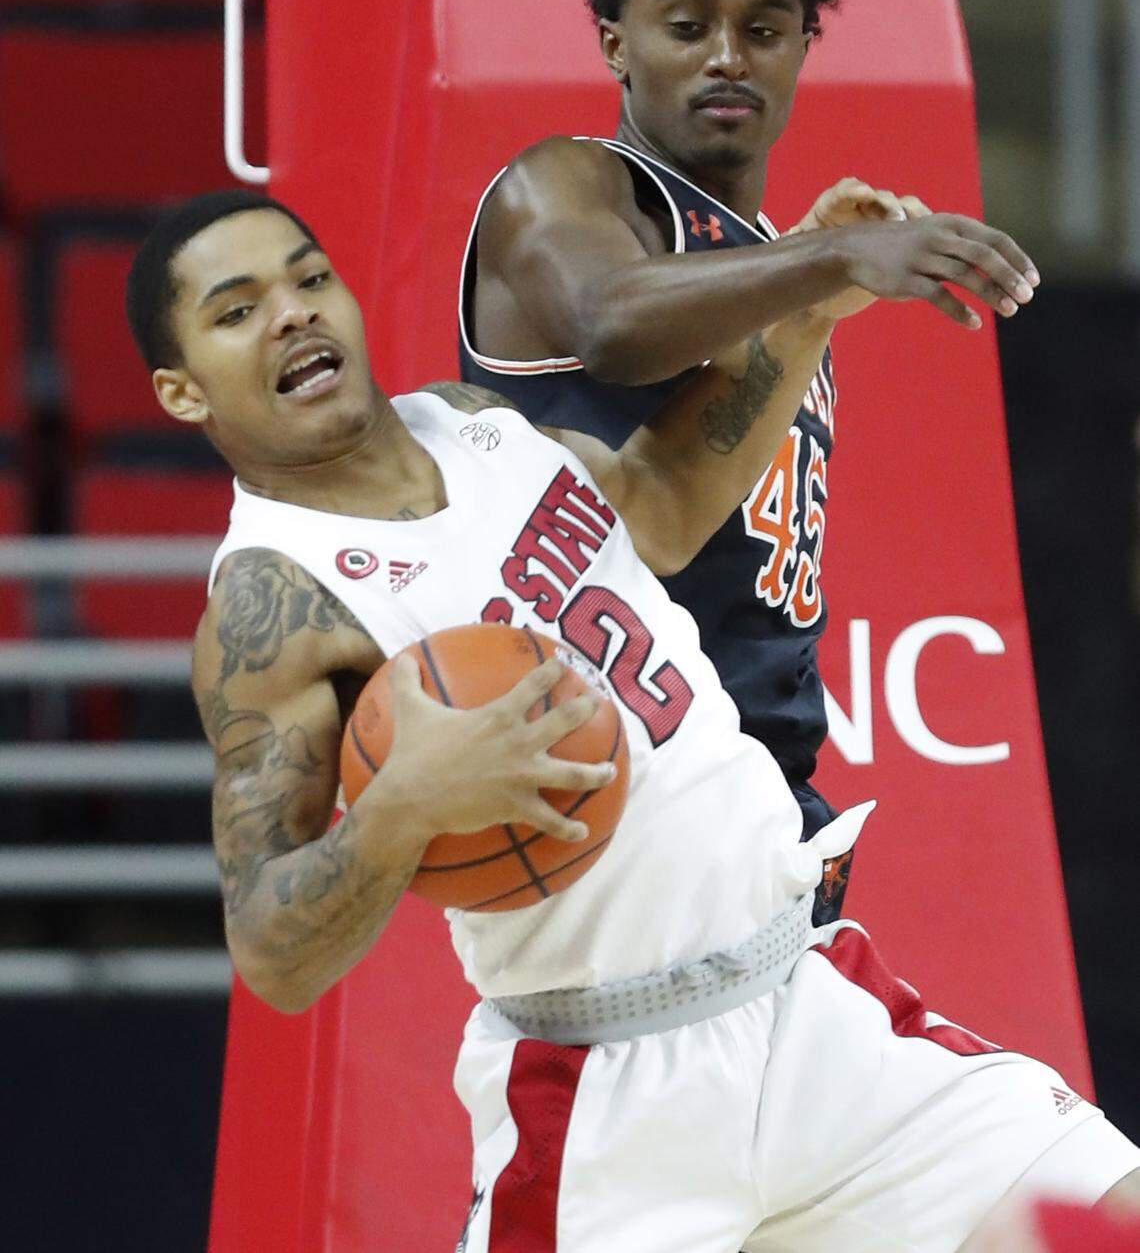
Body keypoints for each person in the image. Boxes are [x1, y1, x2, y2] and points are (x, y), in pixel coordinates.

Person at [126, 190, 1138, 1253]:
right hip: (609, 1097)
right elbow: (274, 950)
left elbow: (658, 502)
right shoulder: (271, 605)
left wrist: (802, 315)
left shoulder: (469, 422)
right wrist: (401, 810)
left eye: (308, 277)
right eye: (238, 311)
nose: (292, 313)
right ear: (181, 390)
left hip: (808, 1008)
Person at [458, 0, 1031, 921]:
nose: (727, 56)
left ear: (803, 48)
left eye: (763, 30)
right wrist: (828, 267)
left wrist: (811, 290)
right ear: (615, 42)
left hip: (761, 808)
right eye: (686, 26)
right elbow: (612, 323)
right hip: (616, 795)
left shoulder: (769, 264)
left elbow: (691, 494)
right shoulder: (568, 183)